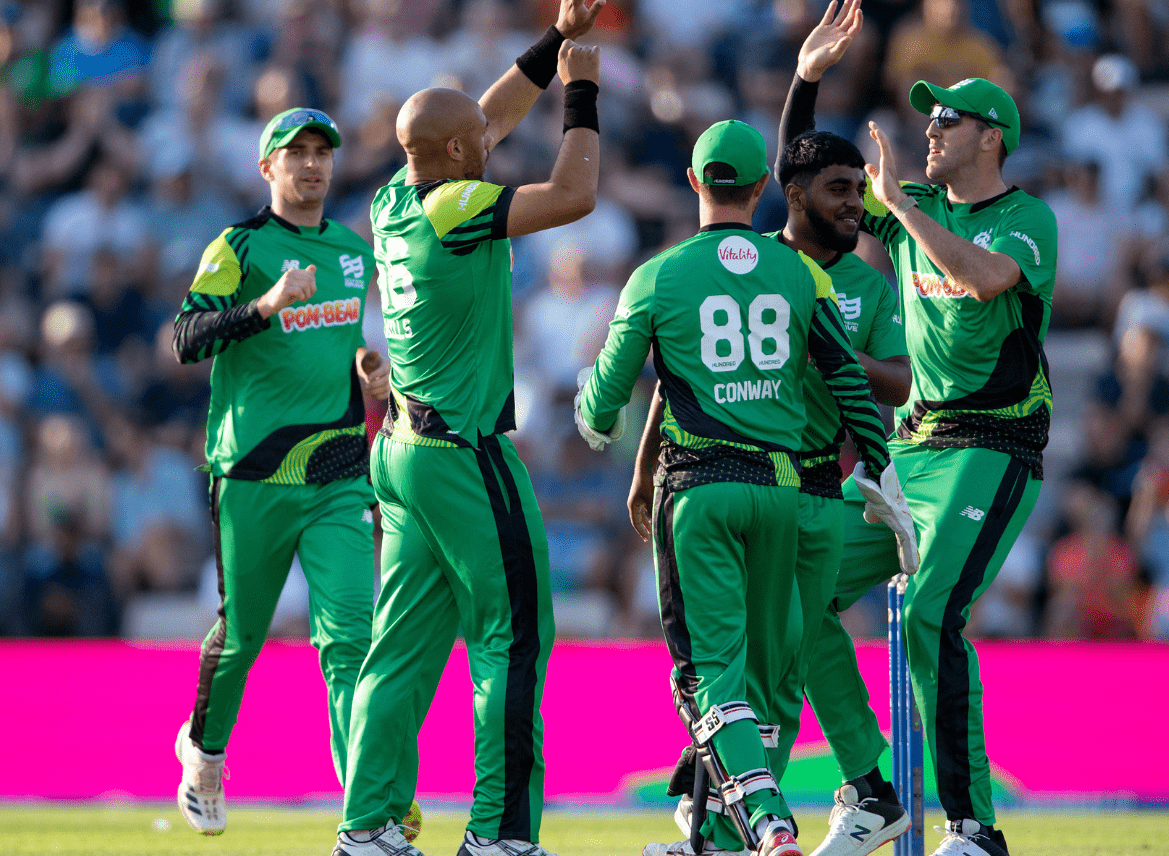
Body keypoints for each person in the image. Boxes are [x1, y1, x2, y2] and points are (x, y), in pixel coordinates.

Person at [578, 111, 909, 856]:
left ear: (694, 182)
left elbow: (604, 404)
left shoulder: (657, 275)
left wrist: (598, 420)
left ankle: (762, 825)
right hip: (789, 495)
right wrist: (883, 473)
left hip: (701, 491)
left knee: (709, 680)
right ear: (764, 187)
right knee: (772, 681)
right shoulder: (800, 273)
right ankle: (727, 836)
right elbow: (848, 381)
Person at [334, 2, 606, 855]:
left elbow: (480, 119)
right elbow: (575, 193)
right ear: (454, 158)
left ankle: (368, 827)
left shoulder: (390, 200)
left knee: (401, 651)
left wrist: (554, 39)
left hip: (402, 451)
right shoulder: (455, 205)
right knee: (514, 638)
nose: (491, 142)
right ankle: (498, 833)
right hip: (461, 456)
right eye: (476, 146)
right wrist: (582, 92)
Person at [785, 9, 1057, 855]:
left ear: (994, 137)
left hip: (993, 446)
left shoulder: (1024, 218)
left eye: (949, 119)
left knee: (933, 614)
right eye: (929, 115)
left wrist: (900, 205)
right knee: (797, 596)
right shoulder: (918, 205)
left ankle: (974, 827)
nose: (929, 128)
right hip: (912, 447)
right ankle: (871, 790)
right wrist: (806, 79)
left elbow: (981, 281)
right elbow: (803, 179)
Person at [169, 106, 391, 837]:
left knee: (351, 639)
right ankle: (203, 752)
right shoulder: (239, 245)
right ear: (267, 168)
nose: (311, 164)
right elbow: (185, 338)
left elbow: (338, 348)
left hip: (335, 470)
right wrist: (264, 305)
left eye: (321, 151)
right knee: (242, 639)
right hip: (252, 474)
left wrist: (369, 374)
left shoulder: (353, 252)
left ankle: (369, 802)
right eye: (293, 153)